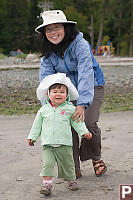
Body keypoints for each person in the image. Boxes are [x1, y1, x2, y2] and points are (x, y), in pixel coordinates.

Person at [35, 10, 107, 179]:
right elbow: (46, 81)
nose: (53, 33)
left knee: (87, 122)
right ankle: (73, 166)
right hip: (64, 91)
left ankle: (96, 159)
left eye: (56, 27)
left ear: (66, 28)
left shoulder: (80, 45)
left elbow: (86, 74)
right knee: (66, 126)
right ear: (45, 34)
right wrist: (49, 107)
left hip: (93, 85)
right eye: (48, 30)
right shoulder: (47, 53)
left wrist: (81, 104)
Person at [27, 73, 92, 196]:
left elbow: (77, 122)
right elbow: (37, 125)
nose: (58, 94)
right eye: (55, 92)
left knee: (68, 163)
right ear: (48, 94)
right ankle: (47, 185)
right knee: (47, 164)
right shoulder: (43, 110)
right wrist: (32, 137)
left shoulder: (70, 109)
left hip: (65, 143)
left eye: (62, 92)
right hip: (48, 144)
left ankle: (71, 180)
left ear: (67, 95)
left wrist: (84, 132)